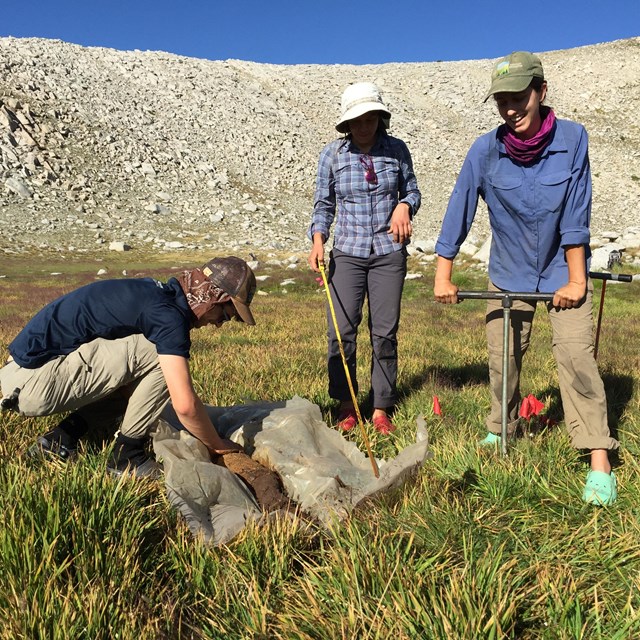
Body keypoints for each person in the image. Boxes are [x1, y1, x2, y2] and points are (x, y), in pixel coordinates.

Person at [433, 51, 618, 505]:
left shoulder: (573, 140)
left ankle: (599, 459)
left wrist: (576, 282)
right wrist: (444, 272)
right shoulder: (485, 149)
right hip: (508, 271)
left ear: (541, 92)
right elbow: (461, 205)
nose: (510, 108)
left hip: (561, 268)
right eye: (501, 100)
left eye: (518, 97)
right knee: (504, 357)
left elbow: (576, 215)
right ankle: (502, 429)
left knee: (576, 356)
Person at [0, 256, 256, 478]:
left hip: (21, 375)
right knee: (157, 354)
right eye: (225, 315)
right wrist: (216, 444)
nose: (220, 324)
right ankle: (127, 456)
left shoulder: (153, 294)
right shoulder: (167, 318)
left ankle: (60, 440)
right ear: (214, 297)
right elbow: (185, 406)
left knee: (142, 367)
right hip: (31, 385)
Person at [307, 82, 421, 434]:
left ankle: (382, 405)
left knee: (384, 333)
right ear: (346, 123)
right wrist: (317, 241)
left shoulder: (398, 150)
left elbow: (413, 190)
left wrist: (405, 206)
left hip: (388, 254)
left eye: (370, 117)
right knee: (341, 332)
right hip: (347, 253)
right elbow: (323, 205)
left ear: (379, 117)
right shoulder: (333, 155)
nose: (364, 125)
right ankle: (347, 403)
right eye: (356, 119)